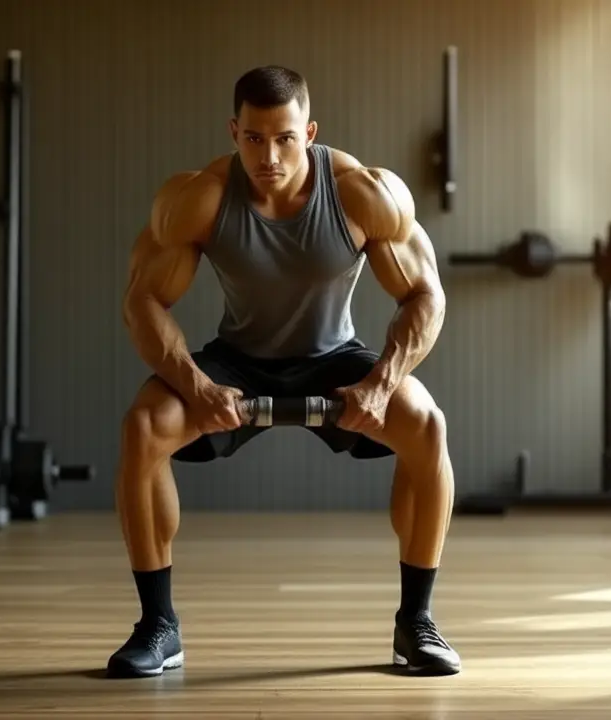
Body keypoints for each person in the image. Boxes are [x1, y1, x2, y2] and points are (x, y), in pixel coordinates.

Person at [109, 65, 459, 678]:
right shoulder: (200, 198)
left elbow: (426, 296)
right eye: (253, 139)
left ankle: (417, 622)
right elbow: (142, 300)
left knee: (425, 425)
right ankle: (158, 625)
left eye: (286, 138)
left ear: (310, 131)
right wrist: (196, 384)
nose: (269, 155)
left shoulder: (360, 192)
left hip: (336, 360)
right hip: (237, 360)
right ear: (234, 131)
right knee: (144, 427)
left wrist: (378, 385)